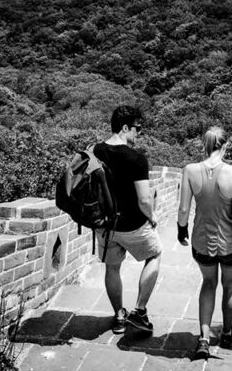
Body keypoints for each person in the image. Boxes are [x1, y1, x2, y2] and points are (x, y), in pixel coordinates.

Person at [177, 127, 232, 360]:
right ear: (225, 146)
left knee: (208, 284)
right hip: (229, 244)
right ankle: (227, 332)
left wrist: (181, 231)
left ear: (205, 146)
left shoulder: (190, 170)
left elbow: (184, 209)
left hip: (202, 241)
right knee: (229, 287)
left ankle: (204, 339)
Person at [93, 105, 162, 335]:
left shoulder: (93, 151)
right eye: (137, 129)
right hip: (132, 225)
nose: (138, 134)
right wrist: (152, 218)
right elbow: (144, 200)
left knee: (112, 269)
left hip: (104, 225)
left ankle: (119, 316)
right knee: (154, 254)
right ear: (125, 128)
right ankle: (139, 312)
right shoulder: (136, 159)